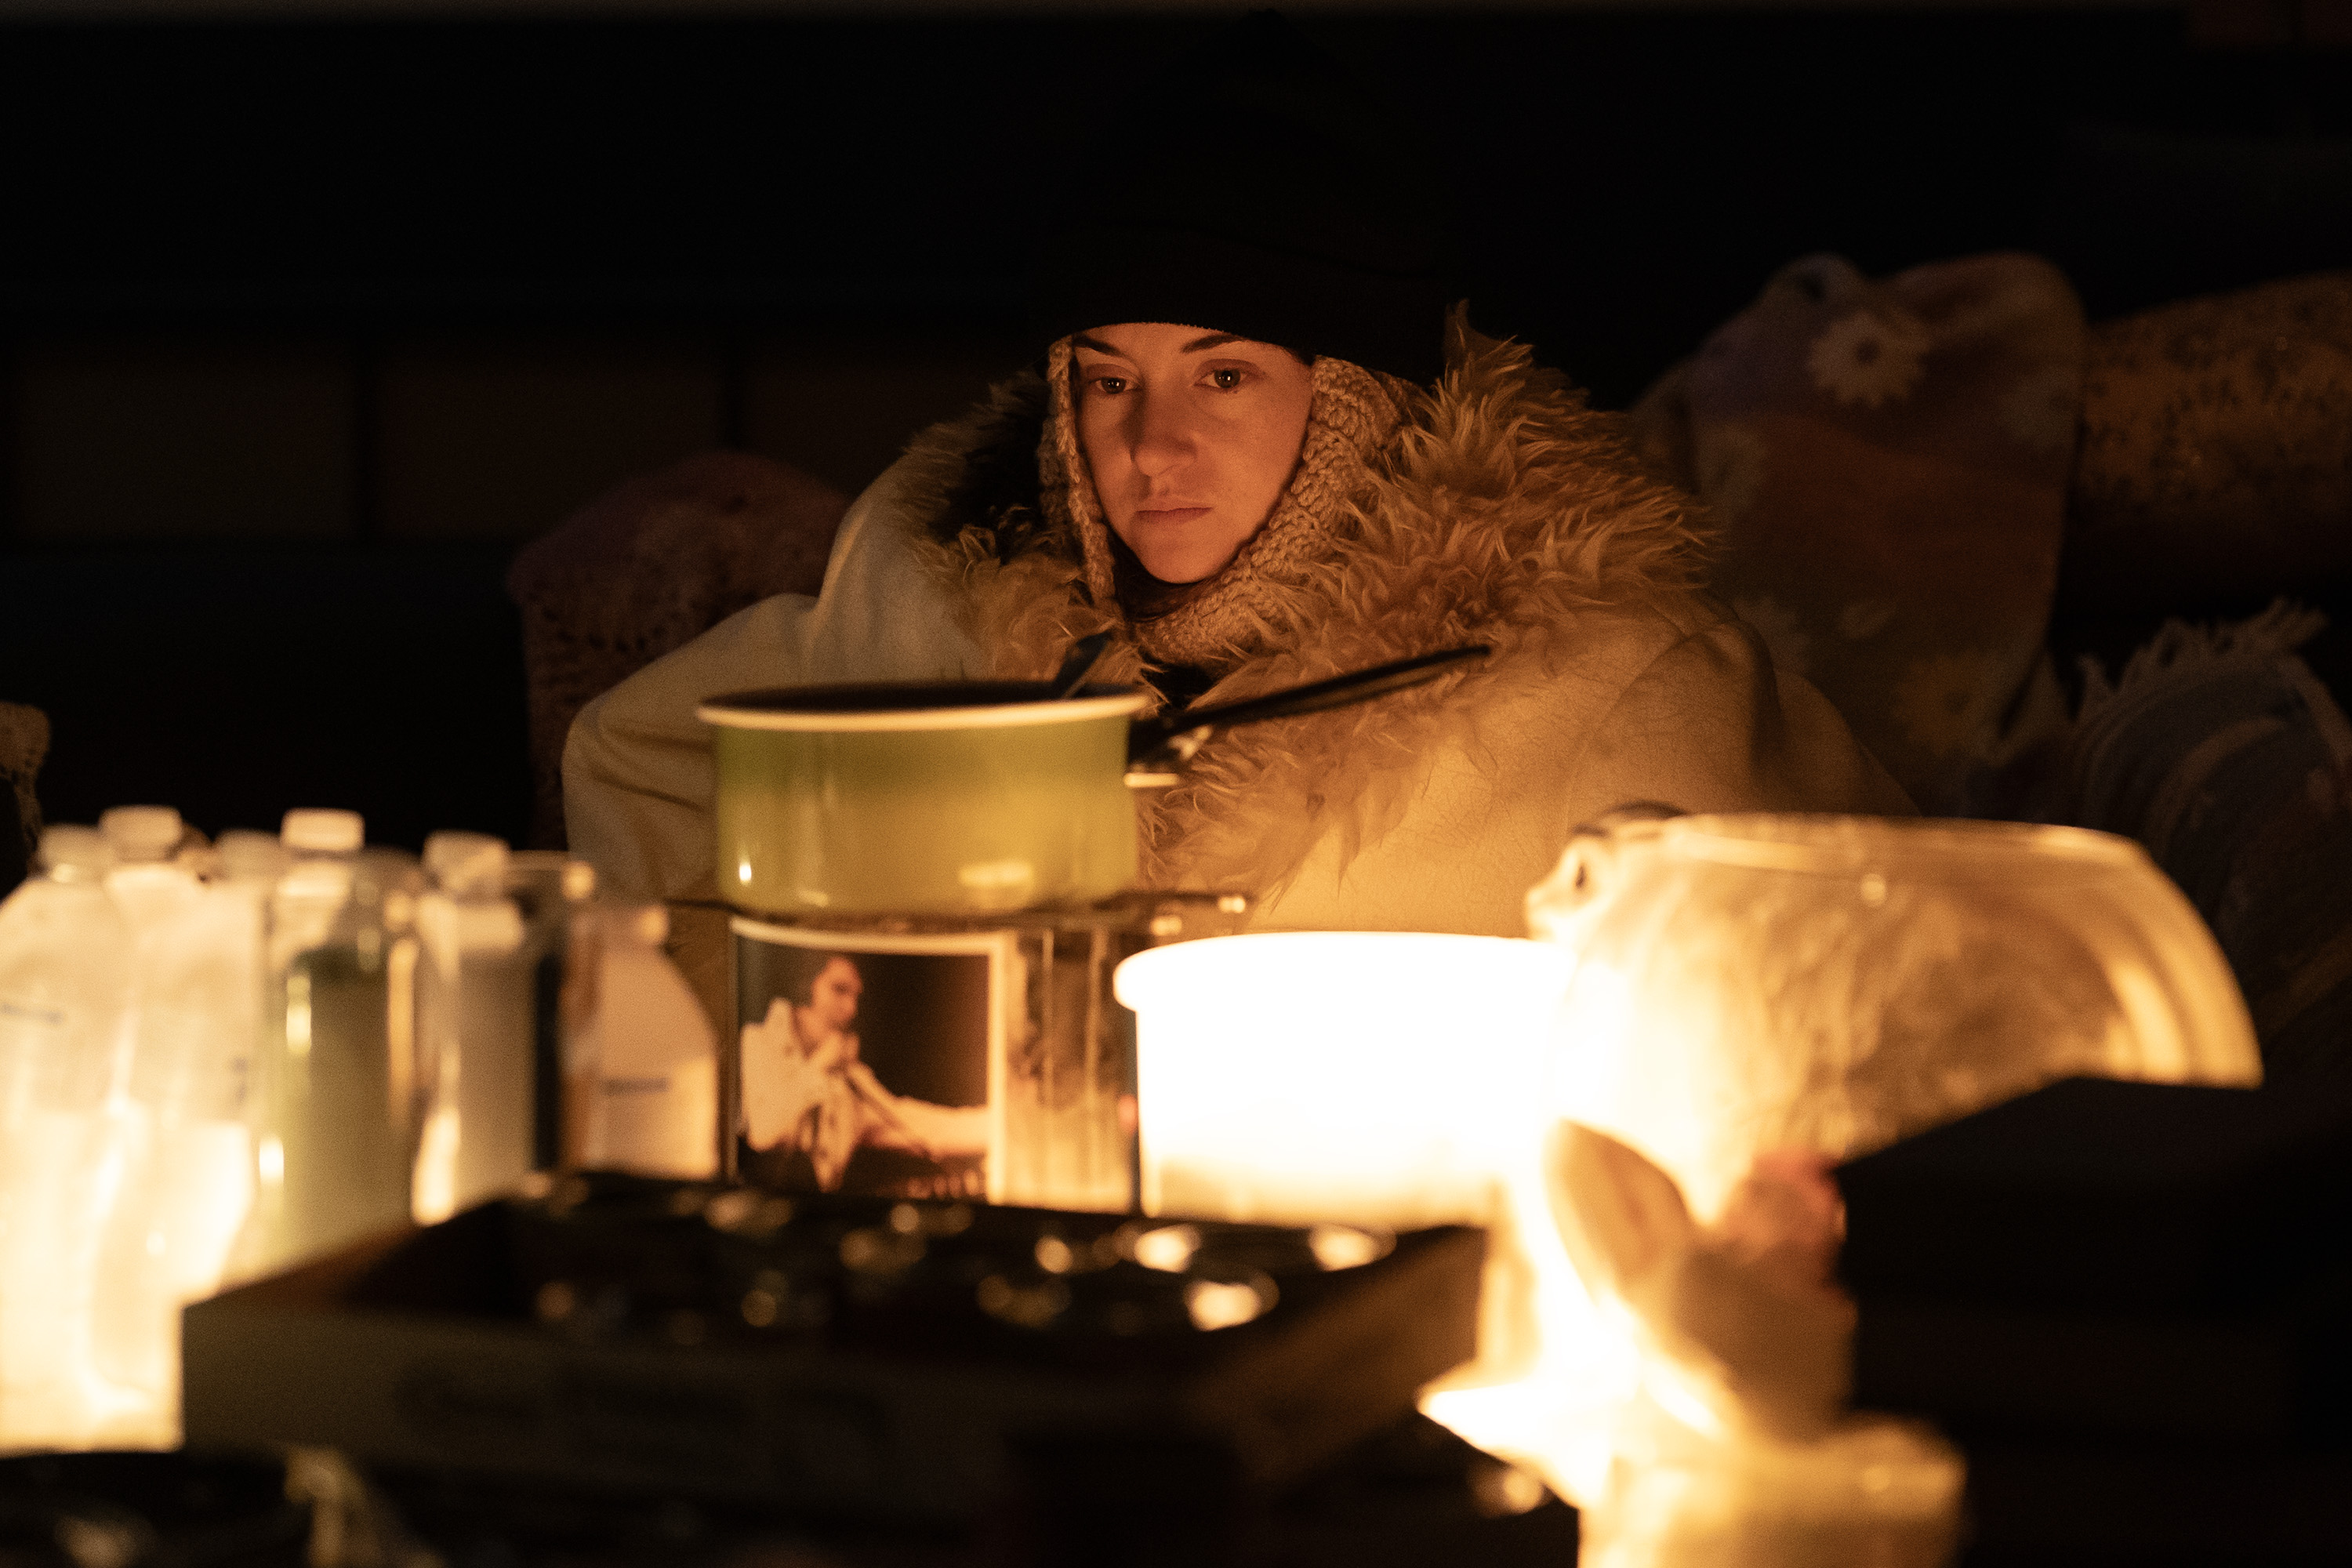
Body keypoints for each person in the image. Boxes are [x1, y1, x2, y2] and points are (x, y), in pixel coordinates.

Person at [564, 16, 1908, 961]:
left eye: (1222, 378)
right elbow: (644, 772)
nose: (1151, 446)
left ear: (1349, 397)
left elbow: (1856, 952)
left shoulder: (1602, 685)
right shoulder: (932, 605)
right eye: (1108, 380)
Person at [739, 952, 989, 1193]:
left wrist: (999, 1125)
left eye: (855, 997)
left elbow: (911, 1124)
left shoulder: (848, 1078)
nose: (850, 1009)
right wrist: (819, 1065)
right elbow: (764, 1131)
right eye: (839, 990)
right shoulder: (757, 1042)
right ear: (805, 986)